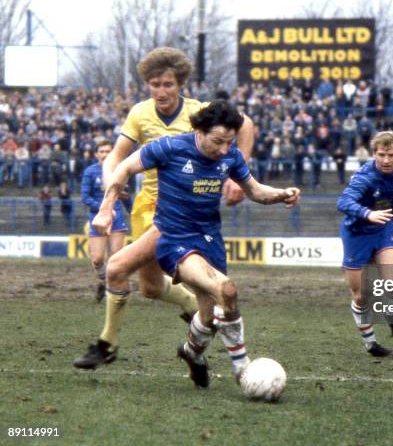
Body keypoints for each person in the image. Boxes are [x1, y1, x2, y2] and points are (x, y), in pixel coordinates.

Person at [92, 101, 300, 387]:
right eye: (218, 141)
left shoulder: (231, 157)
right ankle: (242, 367)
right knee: (226, 289)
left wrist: (281, 194)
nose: (224, 149)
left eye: (229, 142)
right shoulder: (170, 148)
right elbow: (124, 168)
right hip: (174, 238)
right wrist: (106, 208)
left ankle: (191, 352)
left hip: (210, 239)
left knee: (211, 316)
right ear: (198, 131)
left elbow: (254, 191)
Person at [73, 47, 254, 370]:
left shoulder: (200, 112)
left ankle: (107, 344)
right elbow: (116, 156)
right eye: (155, 84)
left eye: (168, 84)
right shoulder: (140, 113)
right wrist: (110, 182)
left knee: (115, 269)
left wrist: (239, 177)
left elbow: (246, 125)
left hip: (178, 212)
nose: (161, 91)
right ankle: (194, 312)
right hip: (145, 208)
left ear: (180, 83)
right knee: (151, 288)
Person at [337, 131, 393, 357]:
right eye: (381, 155)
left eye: (391, 155)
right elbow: (343, 201)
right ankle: (371, 344)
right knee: (360, 296)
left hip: (382, 230)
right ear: (373, 154)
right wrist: (367, 213)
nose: (386, 160)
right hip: (356, 233)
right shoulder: (364, 177)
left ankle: (391, 314)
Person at [80, 139, 128, 302]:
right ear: (96, 154)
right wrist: (102, 207)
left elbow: (125, 195)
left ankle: (114, 292)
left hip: (116, 216)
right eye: (102, 151)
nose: (105, 154)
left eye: (108, 151)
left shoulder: (119, 170)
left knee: (116, 257)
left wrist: (132, 209)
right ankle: (103, 281)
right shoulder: (90, 172)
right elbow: (85, 197)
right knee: (97, 259)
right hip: (98, 217)